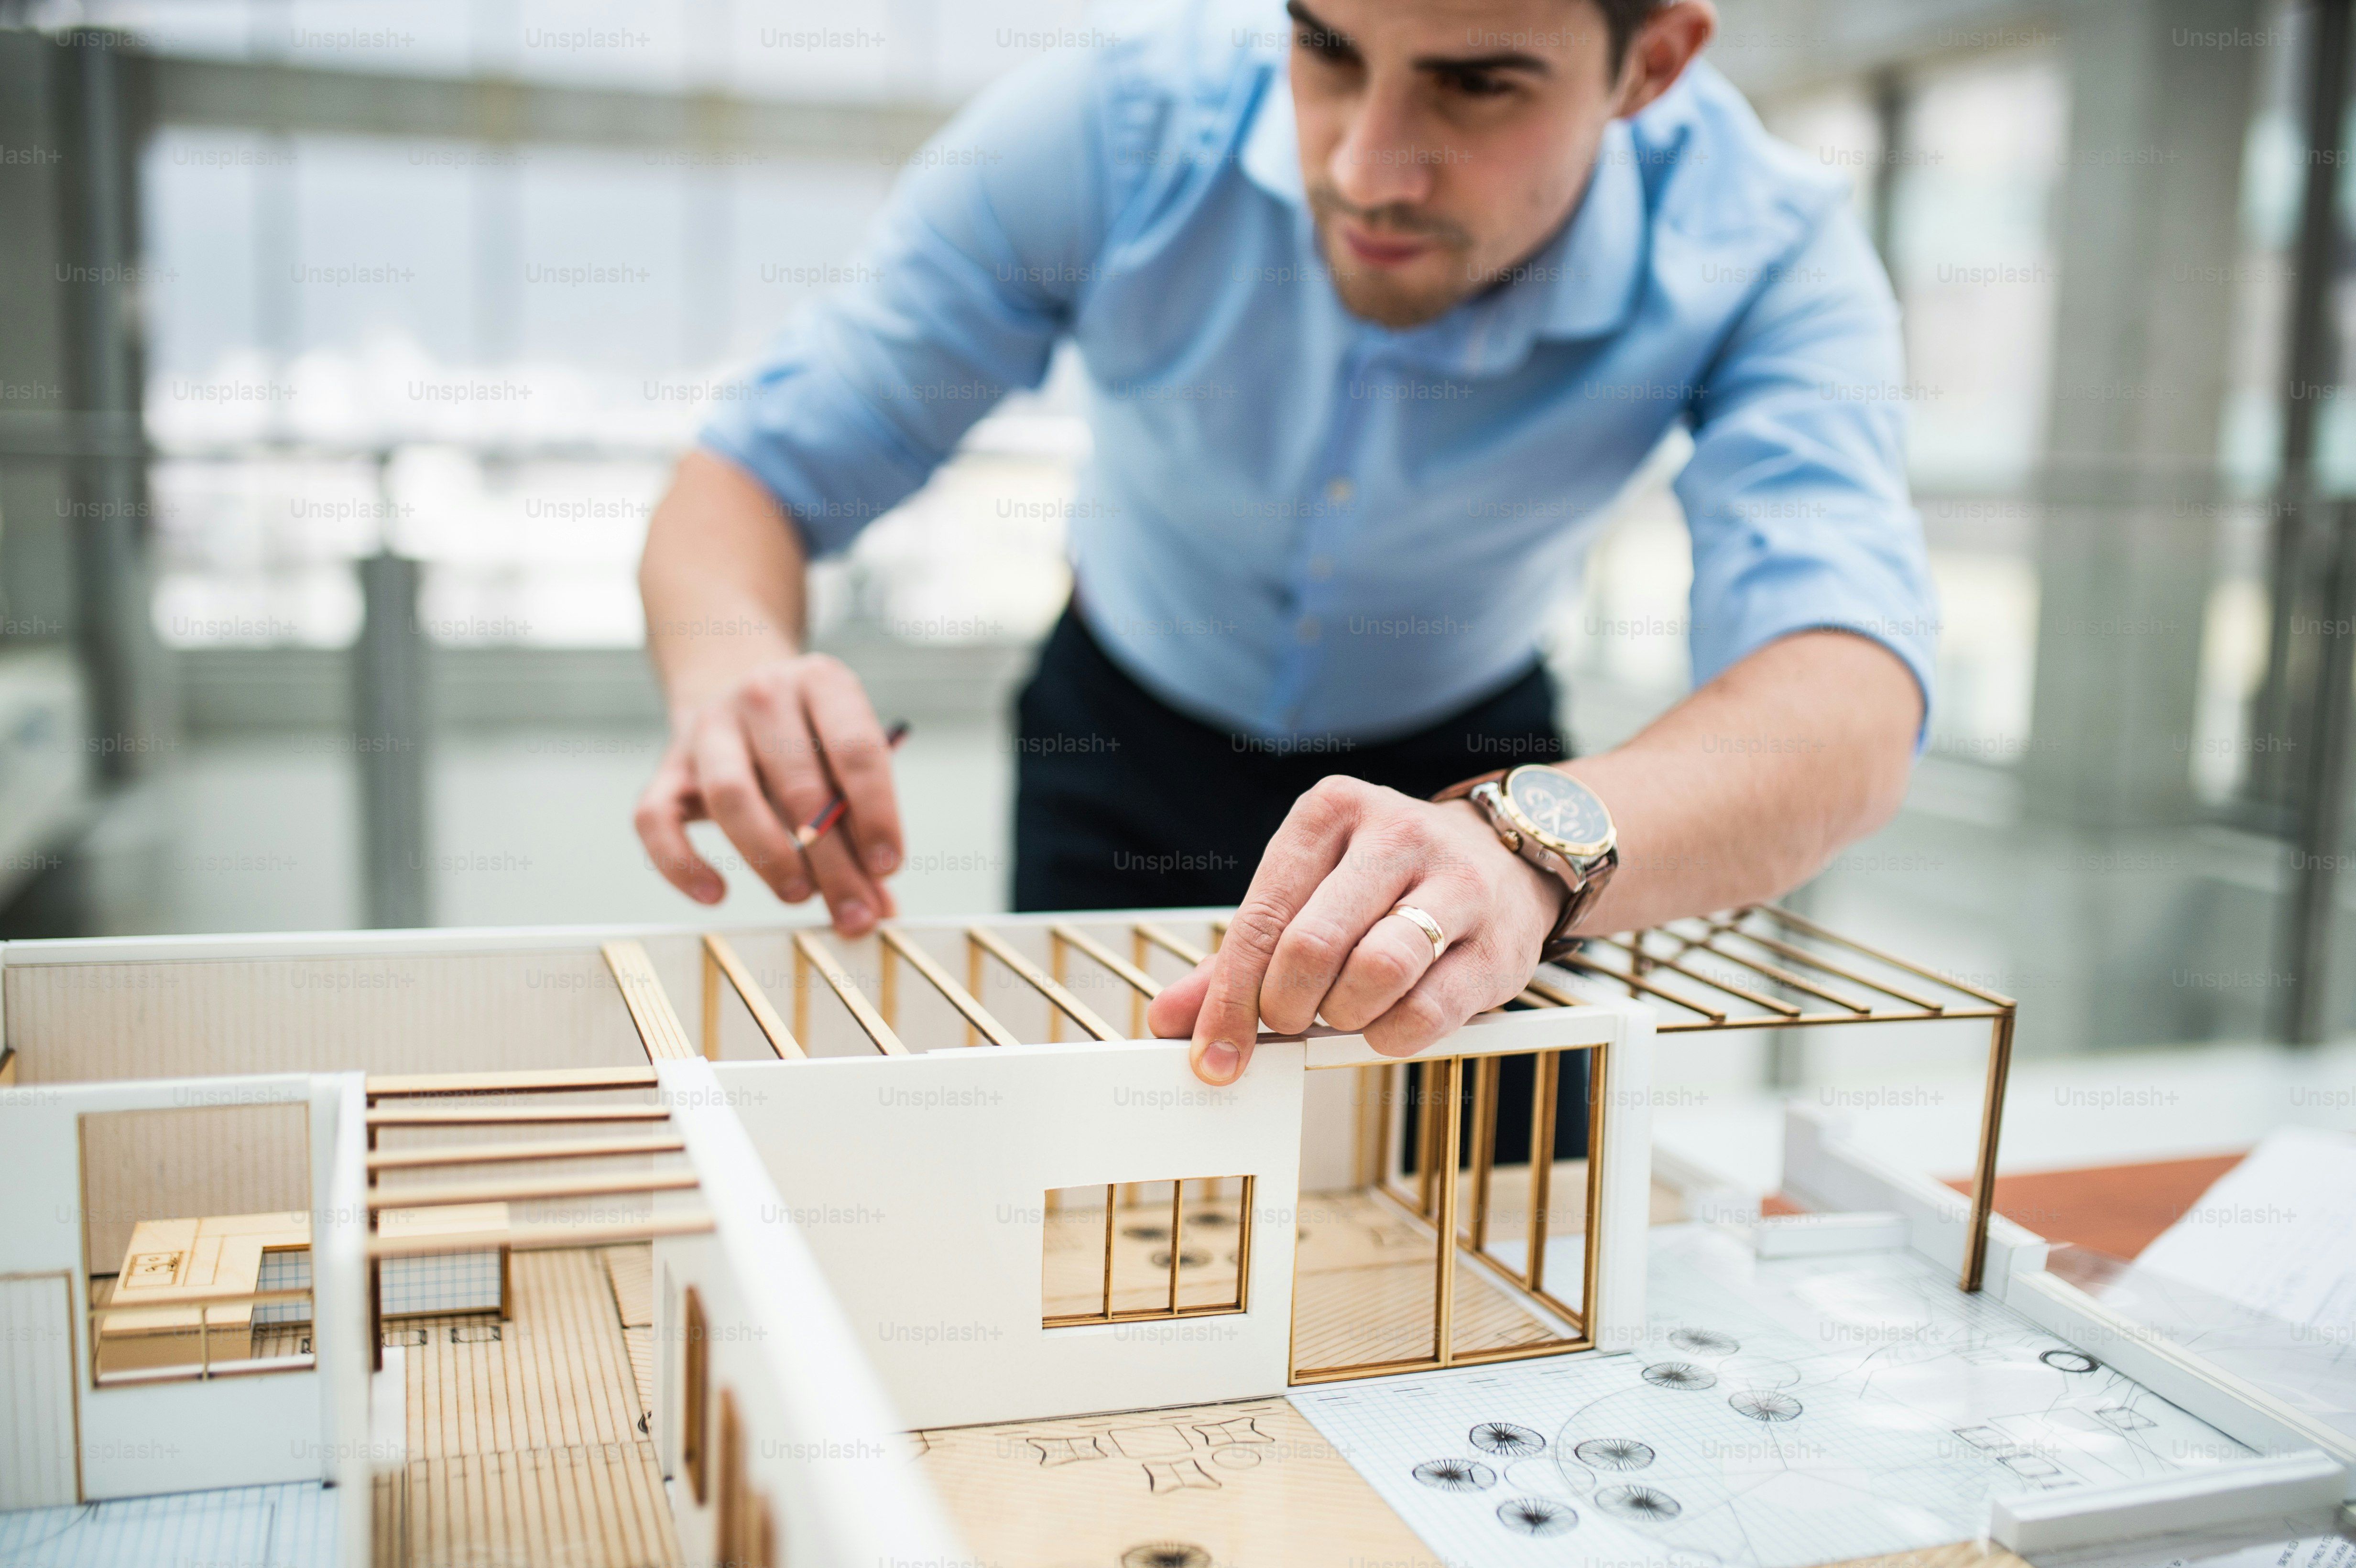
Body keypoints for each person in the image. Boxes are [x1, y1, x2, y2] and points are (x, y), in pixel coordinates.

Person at [633, 0, 1933, 1091]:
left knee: (1484, 1225)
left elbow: (1851, 697)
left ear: (1650, 64)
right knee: (1091, 1200)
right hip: (1121, 738)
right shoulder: (1103, 131)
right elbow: (752, 476)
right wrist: (729, 669)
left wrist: (1533, 848)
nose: (1367, 169)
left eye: (1477, 84)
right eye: (1326, 46)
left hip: (1485, 793)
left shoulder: (1767, 247)